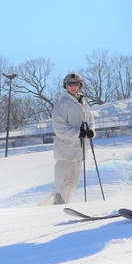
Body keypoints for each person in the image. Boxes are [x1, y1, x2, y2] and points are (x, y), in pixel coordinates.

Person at [42, 72, 95, 206]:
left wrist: (90, 132)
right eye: (70, 84)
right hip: (65, 150)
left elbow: (91, 121)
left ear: (80, 85)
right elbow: (59, 128)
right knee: (62, 181)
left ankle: (65, 205)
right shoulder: (62, 103)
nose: (73, 86)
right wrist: (77, 133)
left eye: (75, 84)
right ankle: (52, 205)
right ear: (65, 85)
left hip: (79, 150)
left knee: (72, 182)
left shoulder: (83, 103)